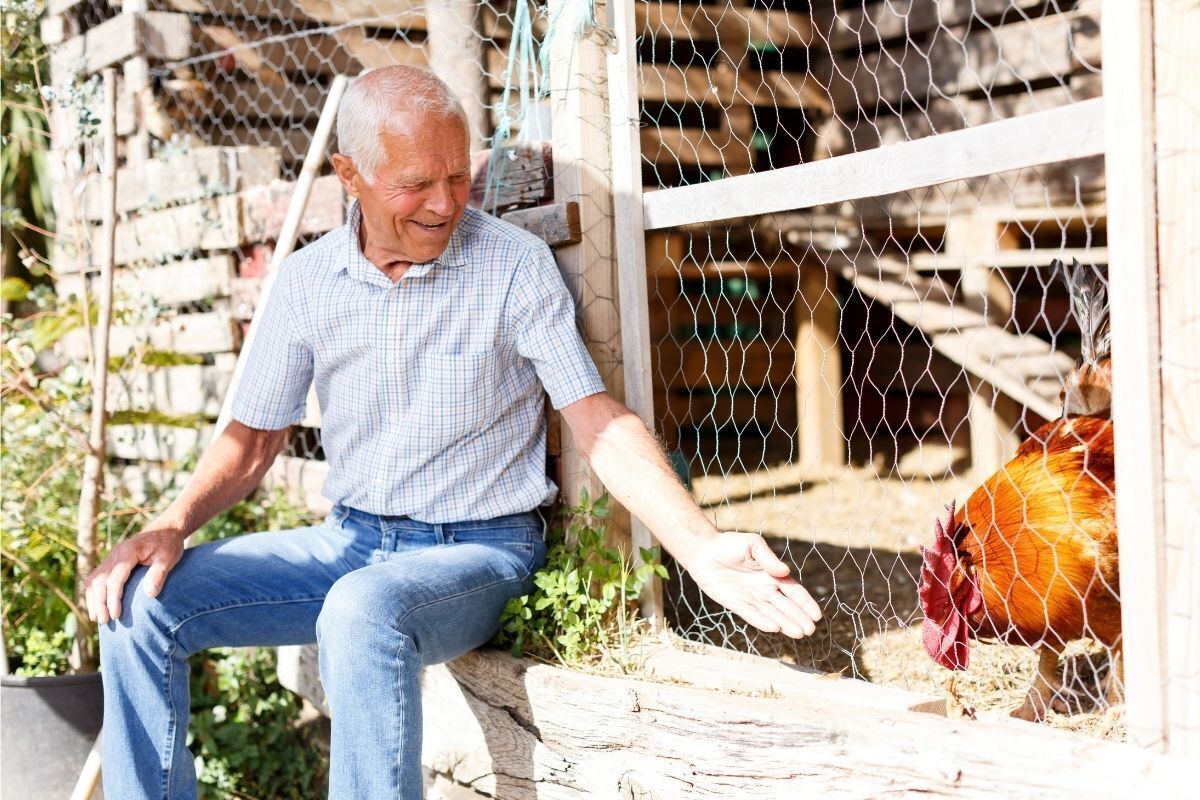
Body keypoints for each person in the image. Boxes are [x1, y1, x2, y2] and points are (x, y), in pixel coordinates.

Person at [87, 66, 822, 800]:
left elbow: (597, 419)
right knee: (139, 604)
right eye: (416, 184)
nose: (444, 204)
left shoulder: (513, 267)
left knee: (361, 609)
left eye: (457, 177)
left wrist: (697, 544)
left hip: (475, 554)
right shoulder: (309, 283)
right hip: (346, 543)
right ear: (349, 175)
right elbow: (251, 440)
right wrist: (172, 523)